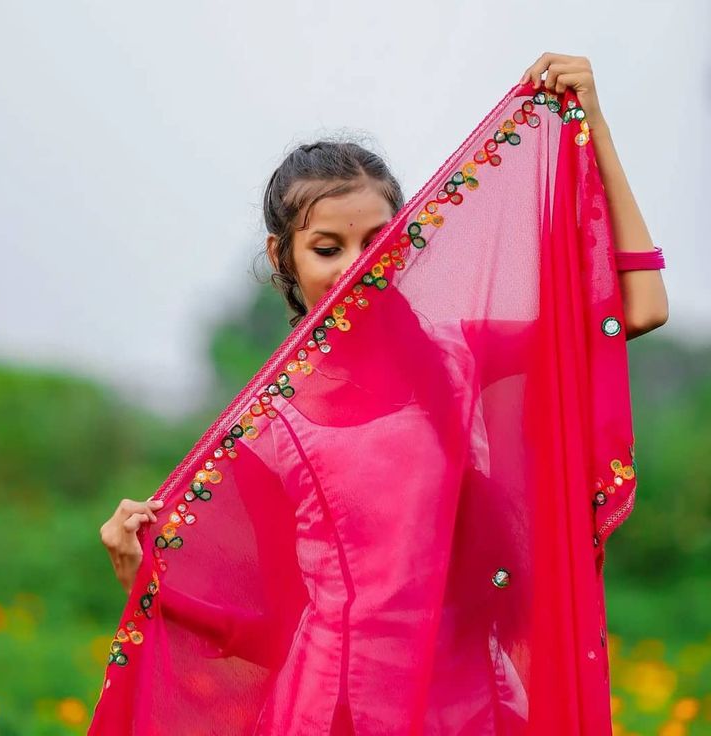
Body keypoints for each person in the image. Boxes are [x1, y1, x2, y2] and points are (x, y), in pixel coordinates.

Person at [97, 52, 668, 733]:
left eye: (380, 241)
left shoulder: (459, 353)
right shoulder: (265, 424)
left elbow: (638, 306)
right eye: (328, 247)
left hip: (469, 704)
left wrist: (594, 123)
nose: (358, 267)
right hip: (335, 709)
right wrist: (148, 583)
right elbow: (267, 628)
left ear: (409, 242)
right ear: (285, 258)